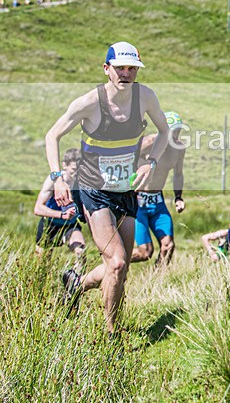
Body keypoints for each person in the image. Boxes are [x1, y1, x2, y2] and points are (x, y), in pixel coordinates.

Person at [44, 42, 169, 333]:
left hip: (124, 191)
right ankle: (111, 333)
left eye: (131, 68)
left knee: (121, 269)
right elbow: (52, 135)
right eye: (120, 68)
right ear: (106, 69)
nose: (126, 74)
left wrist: (150, 162)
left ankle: (76, 284)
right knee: (116, 261)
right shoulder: (89, 102)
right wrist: (58, 177)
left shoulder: (146, 97)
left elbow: (164, 132)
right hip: (93, 189)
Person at [130, 111, 187, 267]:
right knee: (145, 252)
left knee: (168, 246)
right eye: (172, 131)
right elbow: (127, 159)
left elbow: (178, 174)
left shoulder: (179, 148)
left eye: (178, 131)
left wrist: (178, 197)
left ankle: (157, 279)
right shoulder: (147, 143)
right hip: (137, 201)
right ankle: (115, 262)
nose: (176, 136)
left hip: (157, 201)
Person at [33, 148, 86, 270]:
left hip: (70, 225)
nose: (76, 173)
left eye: (79, 169)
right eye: (73, 169)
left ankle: (75, 284)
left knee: (81, 252)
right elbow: (37, 209)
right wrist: (62, 215)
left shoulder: (81, 181)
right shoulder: (53, 181)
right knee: (42, 267)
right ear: (64, 166)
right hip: (49, 225)